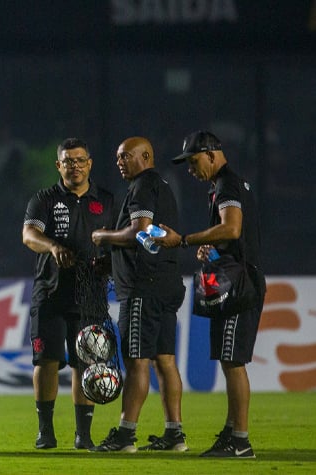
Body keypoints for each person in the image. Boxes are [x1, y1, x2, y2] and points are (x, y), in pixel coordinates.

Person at [153, 130, 265, 458]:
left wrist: (186, 240)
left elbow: (232, 228)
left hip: (240, 284)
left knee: (233, 361)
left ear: (212, 154)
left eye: (193, 161)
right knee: (230, 359)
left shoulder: (227, 184)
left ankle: (241, 442)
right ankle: (232, 433)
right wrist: (209, 246)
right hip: (236, 278)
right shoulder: (225, 185)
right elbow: (230, 236)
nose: (190, 169)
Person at [90, 137, 186, 453]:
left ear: (145, 156)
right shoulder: (162, 185)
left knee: (137, 362)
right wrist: (113, 261)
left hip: (143, 289)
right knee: (165, 361)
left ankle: (126, 435)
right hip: (165, 284)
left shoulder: (143, 186)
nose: (119, 161)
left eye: (125, 156)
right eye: (117, 157)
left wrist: (103, 236)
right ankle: (174, 434)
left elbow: (139, 232)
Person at [21, 138, 115, 450]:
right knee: (47, 361)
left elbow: (118, 241)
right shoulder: (44, 199)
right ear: (58, 165)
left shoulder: (107, 200)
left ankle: (83, 435)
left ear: (89, 163)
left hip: (90, 295)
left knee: (85, 364)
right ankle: (45, 431)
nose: (74, 165)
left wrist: (110, 263)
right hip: (50, 293)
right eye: (68, 160)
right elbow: (29, 234)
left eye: (79, 160)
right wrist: (53, 246)